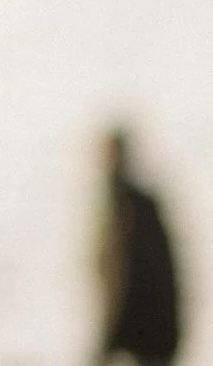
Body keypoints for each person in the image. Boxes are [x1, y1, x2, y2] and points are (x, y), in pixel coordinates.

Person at [100, 127, 184, 366]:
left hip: (149, 336)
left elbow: (132, 278)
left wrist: (111, 338)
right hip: (149, 335)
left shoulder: (133, 208)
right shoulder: (127, 205)